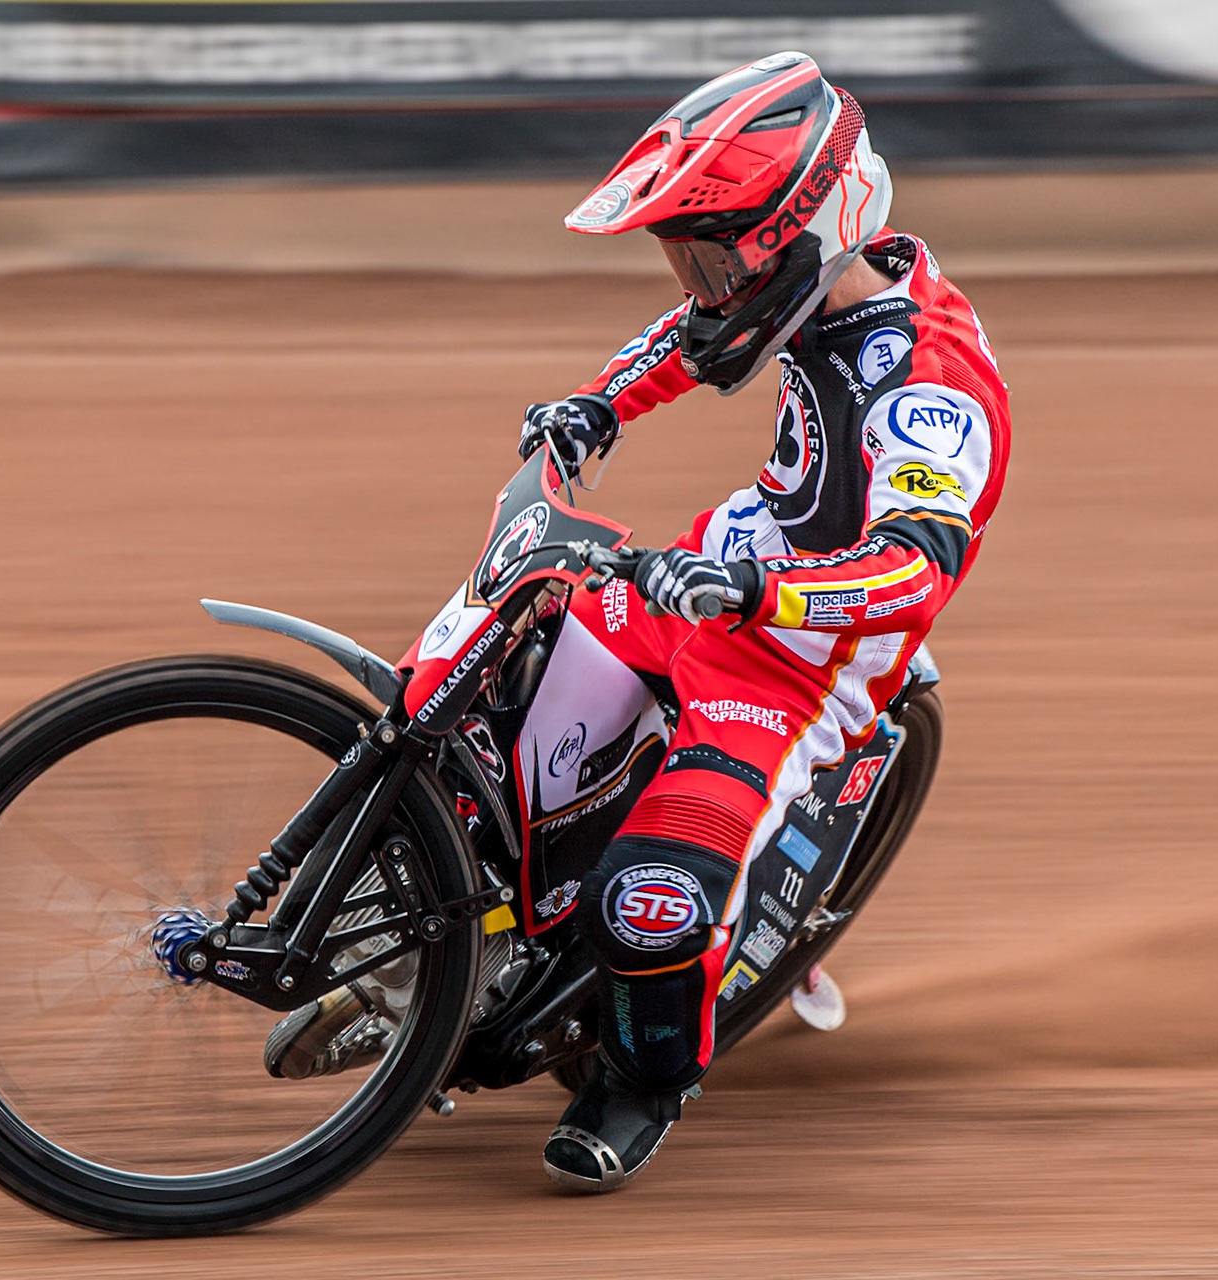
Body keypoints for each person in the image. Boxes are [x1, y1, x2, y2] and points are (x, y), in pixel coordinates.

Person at [522, 51, 1011, 1192]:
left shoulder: (933, 386)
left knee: (651, 904)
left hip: (799, 660)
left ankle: (642, 1078)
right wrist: (598, 406)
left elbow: (913, 570)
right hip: (696, 574)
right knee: (489, 711)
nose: (702, 286)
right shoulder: (811, 285)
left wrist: (763, 594)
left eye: (715, 259)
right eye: (687, 260)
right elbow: (683, 340)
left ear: (810, 228)